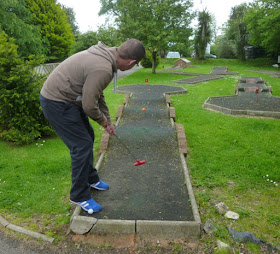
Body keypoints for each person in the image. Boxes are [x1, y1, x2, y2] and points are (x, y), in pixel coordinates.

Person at [40, 39, 146, 214]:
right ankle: (79, 195)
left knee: (87, 137)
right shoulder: (103, 68)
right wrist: (103, 122)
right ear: (131, 62)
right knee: (81, 146)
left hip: (69, 100)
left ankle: (91, 179)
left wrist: (108, 121)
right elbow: (89, 105)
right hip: (56, 102)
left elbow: (97, 94)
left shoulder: (107, 58)